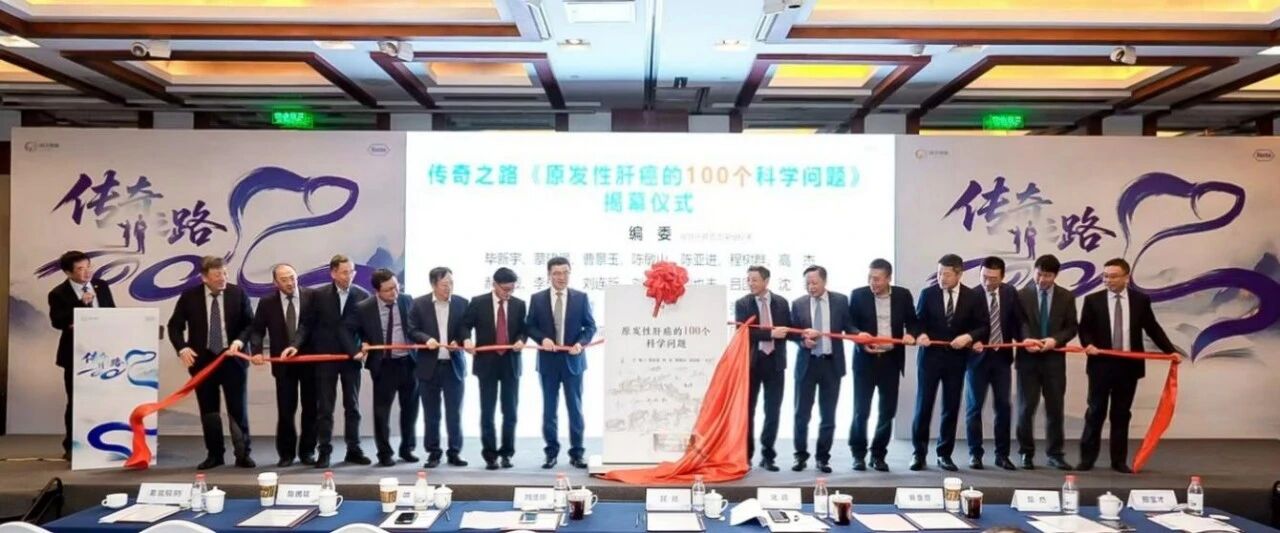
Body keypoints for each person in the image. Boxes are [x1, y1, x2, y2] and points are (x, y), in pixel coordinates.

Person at [1078, 258, 1176, 473]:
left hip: (1128, 367)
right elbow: (1084, 329)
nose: (1108, 280)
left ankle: (1118, 461)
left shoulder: (1140, 300)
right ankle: (1087, 459)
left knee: (1121, 414)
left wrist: (1170, 351)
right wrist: (1088, 345)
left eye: (1113, 276)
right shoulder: (1093, 300)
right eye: (1105, 276)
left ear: (1126, 277)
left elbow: (1152, 328)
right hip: (1101, 365)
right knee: (1095, 411)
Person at [166, 256, 254, 469]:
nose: (222, 278)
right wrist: (182, 348)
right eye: (217, 275)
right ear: (204, 277)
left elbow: (250, 324)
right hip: (203, 363)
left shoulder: (238, 293)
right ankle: (215, 454)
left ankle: (243, 454)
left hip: (232, 360)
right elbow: (174, 326)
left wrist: (240, 341)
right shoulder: (189, 296)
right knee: (209, 410)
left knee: (237, 409)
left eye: (225, 273)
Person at [911, 254, 988, 472]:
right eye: (939, 273)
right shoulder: (928, 294)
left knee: (951, 407)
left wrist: (969, 337)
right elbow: (917, 322)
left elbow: (983, 326)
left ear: (959, 274)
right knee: (923, 406)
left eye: (946, 274)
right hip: (929, 359)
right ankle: (918, 453)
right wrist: (920, 334)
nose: (941, 278)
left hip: (956, 360)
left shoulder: (973, 296)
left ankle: (944, 454)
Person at [789, 265, 866, 474]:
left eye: (814, 283)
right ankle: (800, 456)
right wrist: (803, 341)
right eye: (807, 283)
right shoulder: (798, 303)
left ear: (824, 281)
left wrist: (859, 334)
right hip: (807, 365)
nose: (810, 287)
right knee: (801, 414)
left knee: (828, 415)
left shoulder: (840, 300)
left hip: (831, 365)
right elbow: (792, 333)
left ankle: (823, 458)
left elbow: (848, 326)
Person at [526, 256, 598, 469]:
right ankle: (551, 453)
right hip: (548, 363)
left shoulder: (581, 298)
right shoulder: (537, 299)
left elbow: (590, 327)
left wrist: (581, 343)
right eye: (557, 273)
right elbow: (529, 326)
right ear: (549, 275)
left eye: (565, 272)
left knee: (575, 409)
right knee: (549, 410)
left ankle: (577, 453)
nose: (561, 277)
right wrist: (542, 339)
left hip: (573, 361)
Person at [847, 258, 918, 472]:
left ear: (888, 278)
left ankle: (878, 455)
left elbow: (912, 321)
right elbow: (849, 324)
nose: (872, 282)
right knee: (861, 411)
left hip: (891, 361)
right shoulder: (858, 295)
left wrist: (911, 334)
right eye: (870, 278)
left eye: (877, 279)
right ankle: (858, 454)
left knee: (887, 411)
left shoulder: (903, 295)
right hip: (865, 361)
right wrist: (860, 336)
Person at [47, 250, 117, 461]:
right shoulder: (58, 293)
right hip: (75, 354)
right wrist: (81, 304)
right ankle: (72, 446)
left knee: (105, 398)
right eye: (80, 269)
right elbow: (58, 321)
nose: (87, 272)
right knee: (76, 400)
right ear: (68, 272)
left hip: (104, 352)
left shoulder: (101, 285)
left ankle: (104, 441)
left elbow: (112, 311)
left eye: (88, 267)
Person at [349, 269, 420, 467]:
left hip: (408, 362)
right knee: (382, 413)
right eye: (388, 290)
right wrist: (360, 344)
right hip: (383, 365)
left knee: (410, 409)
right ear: (377, 291)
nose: (394, 292)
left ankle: (407, 449)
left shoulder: (407, 300)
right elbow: (350, 330)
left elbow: (416, 327)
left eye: (396, 287)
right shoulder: (364, 307)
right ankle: (384, 453)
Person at [248, 263, 317, 467]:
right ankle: (286, 454)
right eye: (284, 279)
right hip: (283, 365)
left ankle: (307, 451)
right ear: (275, 282)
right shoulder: (267, 302)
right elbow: (257, 330)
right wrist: (256, 351)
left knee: (311, 409)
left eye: (292, 277)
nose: (290, 283)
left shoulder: (311, 297)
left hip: (309, 362)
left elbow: (308, 326)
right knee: (286, 411)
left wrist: (296, 346)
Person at [461, 267, 528, 470]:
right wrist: (466, 340)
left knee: (510, 412)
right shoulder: (478, 302)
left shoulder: (519, 304)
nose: (509, 293)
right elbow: (464, 326)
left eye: (512, 289)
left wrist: (521, 340)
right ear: (494, 285)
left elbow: (524, 330)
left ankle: (507, 454)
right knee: (487, 412)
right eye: (505, 289)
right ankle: (490, 456)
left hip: (510, 364)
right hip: (487, 364)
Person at [309, 254, 371, 468]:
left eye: (352, 271)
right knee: (325, 408)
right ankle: (324, 451)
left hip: (351, 359)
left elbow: (367, 328)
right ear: (333, 273)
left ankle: (353, 449)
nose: (349, 276)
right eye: (344, 272)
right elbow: (308, 325)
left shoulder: (362, 295)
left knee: (352, 406)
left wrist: (366, 343)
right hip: (325, 359)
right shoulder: (318, 295)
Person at [1016, 254, 1077, 470]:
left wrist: (1055, 340)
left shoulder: (1066, 297)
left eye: (1048, 276)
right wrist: (1026, 339)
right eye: (1039, 274)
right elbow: (1018, 323)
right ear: (1034, 271)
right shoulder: (1021, 295)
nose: (1042, 279)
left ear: (1056, 275)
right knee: (1026, 408)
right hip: (1027, 360)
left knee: (1055, 409)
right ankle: (1026, 452)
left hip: (1054, 361)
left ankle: (1055, 454)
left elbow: (1072, 327)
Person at [407, 267, 470, 468]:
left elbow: (465, 328)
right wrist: (426, 339)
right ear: (433, 285)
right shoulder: (419, 304)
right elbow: (411, 330)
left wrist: (459, 340)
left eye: (451, 283)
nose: (448, 287)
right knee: (431, 414)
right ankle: (433, 452)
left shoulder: (461, 303)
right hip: (429, 367)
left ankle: (454, 452)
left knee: (454, 413)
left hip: (453, 366)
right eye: (444, 284)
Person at [966, 256, 1023, 471]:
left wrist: (1025, 340)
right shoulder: (971, 295)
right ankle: (975, 454)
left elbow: (1018, 322)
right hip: (977, 360)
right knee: (974, 408)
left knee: (1003, 407)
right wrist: (972, 340)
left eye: (993, 278)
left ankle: (1002, 455)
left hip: (1002, 359)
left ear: (1002, 277)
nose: (988, 282)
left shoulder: (1010, 293)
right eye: (984, 277)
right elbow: (964, 327)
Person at [733, 265, 791, 472]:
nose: (750, 283)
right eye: (748, 279)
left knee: (772, 411)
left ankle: (768, 456)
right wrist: (770, 334)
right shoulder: (742, 303)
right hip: (752, 363)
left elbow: (788, 330)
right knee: (748, 410)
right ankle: (745, 456)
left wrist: (805, 336)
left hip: (776, 363)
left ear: (766, 281)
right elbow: (742, 332)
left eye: (755, 280)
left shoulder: (781, 302)